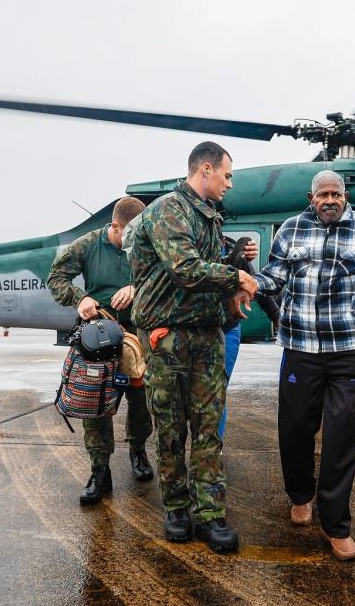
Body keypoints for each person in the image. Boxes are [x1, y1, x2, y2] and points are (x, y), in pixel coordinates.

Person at [253, 170, 355, 561]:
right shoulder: (291, 230)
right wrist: (248, 283)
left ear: (345, 197)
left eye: (336, 194)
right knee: (295, 426)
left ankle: (336, 525)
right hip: (301, 346)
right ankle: (300, 494)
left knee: (345, 434)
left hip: (351, 346)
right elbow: (274, 277)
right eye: (322, 195)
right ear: (311, 198)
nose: (329, 200)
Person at [129, 141, 258, 554]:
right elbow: (185, 270)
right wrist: (236, 278)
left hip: (207, 336)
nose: (229, 183)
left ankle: (210, 513)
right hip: (167, 339)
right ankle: (177, 509)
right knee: (170, 430)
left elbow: (207, 278)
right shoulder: (170, 209)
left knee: (207, 429)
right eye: (227, 174)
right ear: (206, 169)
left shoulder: (210, 219)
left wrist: (231, 296)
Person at [46, 196, 153, 505]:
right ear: (116, 227)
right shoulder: (89, 244)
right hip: (98, 336)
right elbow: (56, 277)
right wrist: (79, 298)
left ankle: (138, 451)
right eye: (130, 234)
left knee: (141, 399)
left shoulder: (144, 244)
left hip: (135, 334)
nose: (136, 240)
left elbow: (165, 277)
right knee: (95, 403)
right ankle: (100, 471)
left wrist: (137, 289)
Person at [219, 235, 280, 439]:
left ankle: (214, 448)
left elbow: (253, 285)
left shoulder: (231, 248)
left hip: (228, 328)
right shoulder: (187, 248)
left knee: (218, 391)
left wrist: (277, 317)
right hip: (196, 328)